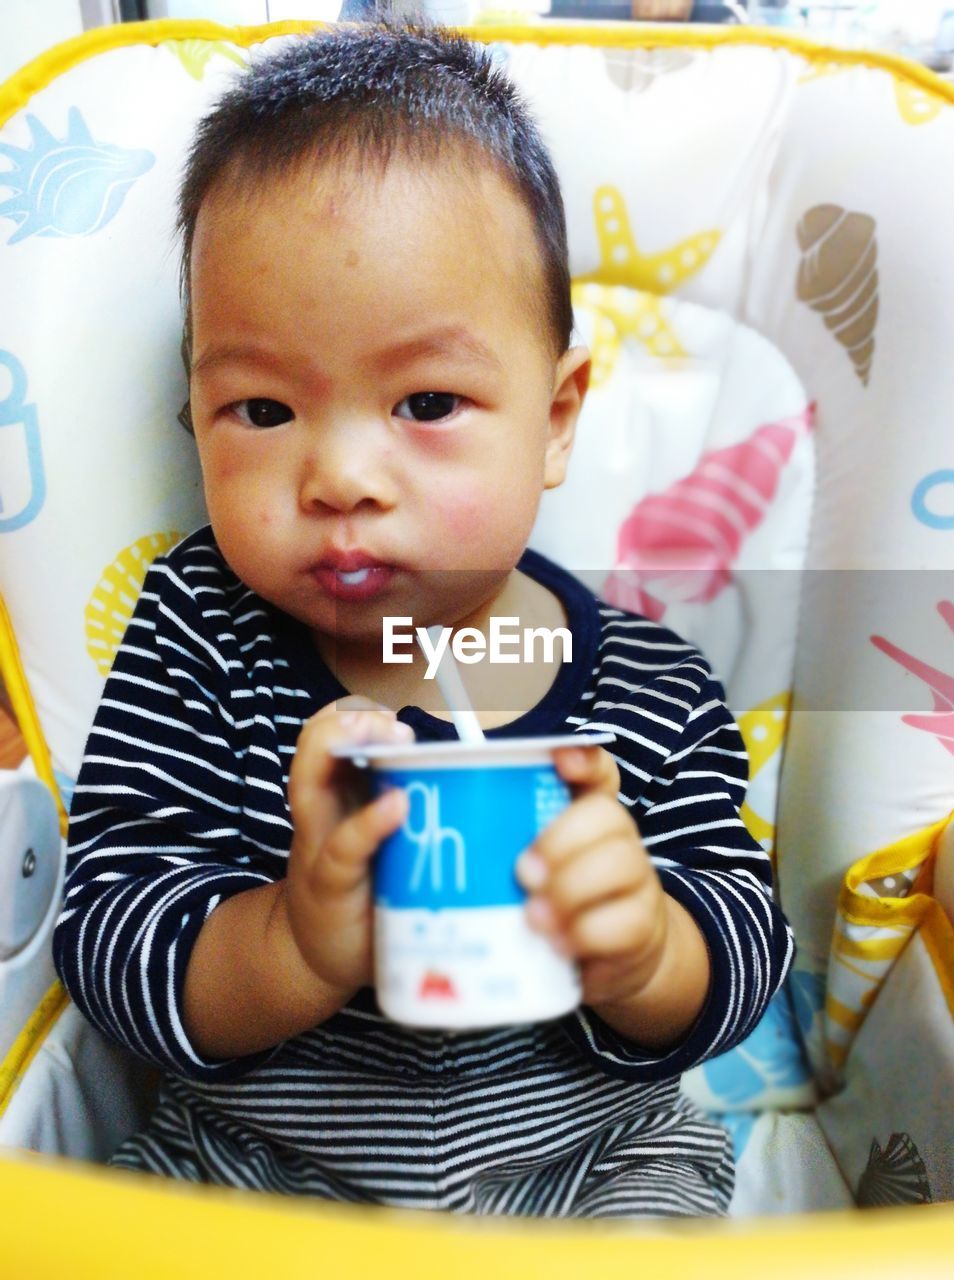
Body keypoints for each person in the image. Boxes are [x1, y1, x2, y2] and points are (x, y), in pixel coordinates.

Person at [53, 19, 794, 1218]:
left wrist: (651, 953)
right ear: (192, 414)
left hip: (585, 1164)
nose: (341, 474)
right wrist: (289, 944)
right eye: (260, 408)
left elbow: (749, 937)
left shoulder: (653, 684)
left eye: (428, 400)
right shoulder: (196, 635)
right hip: (258, 1169)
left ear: (555, 418)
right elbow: (112, 939)